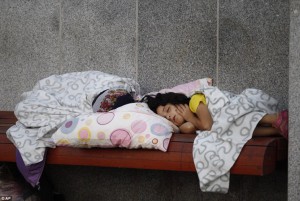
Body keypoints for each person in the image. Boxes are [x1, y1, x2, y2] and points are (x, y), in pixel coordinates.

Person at [143, 90, 288, 139]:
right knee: (236, 130)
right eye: (165, 118)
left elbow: (207, 125)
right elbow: (188, 128)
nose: (168, 117)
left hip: (238, 106)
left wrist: (190, 117)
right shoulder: (189, 119)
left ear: (176, 103)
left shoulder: (194, 101)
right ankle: (278, 129)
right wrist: (186, 121)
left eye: (168, 110)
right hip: (236, 123)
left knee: (233, 117)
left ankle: (278, 118)